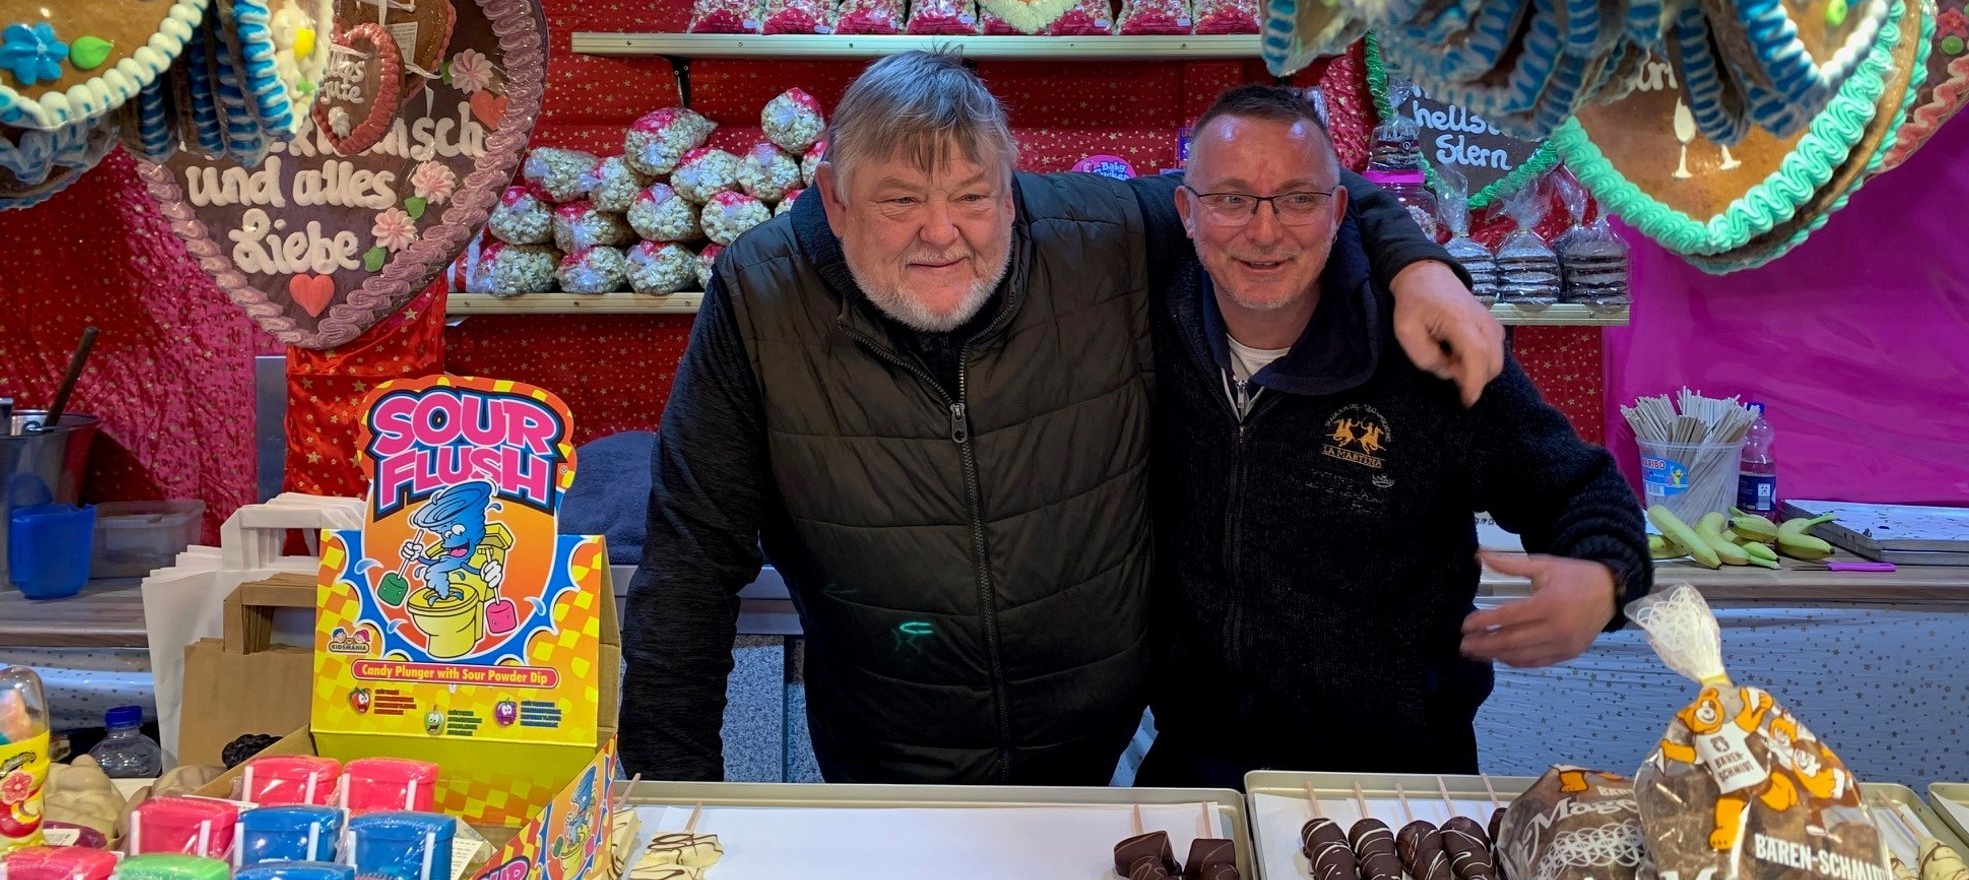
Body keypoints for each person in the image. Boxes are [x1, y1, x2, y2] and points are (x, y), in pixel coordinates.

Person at [620, 52, 1506, 785]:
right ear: (834, 197)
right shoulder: (761, 293)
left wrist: (1413, 264)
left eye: (972, 195)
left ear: (1011, 191)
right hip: (886, 760)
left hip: (1101, 760)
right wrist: (665, 796)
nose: (943, 232)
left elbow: (1280, 195)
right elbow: (690, 565)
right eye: (899, 200)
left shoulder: (1101, 233)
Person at [1139, 85, 1652, 788]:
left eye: (1296, 197)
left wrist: (1603, 577)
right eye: (1231, 199)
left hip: (1400, 776)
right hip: (1197, 764)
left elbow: (1581, 489)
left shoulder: (1423, 348)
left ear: (1338, 209)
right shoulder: (1141, 331)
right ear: (1186, 212)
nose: (1264, 231)